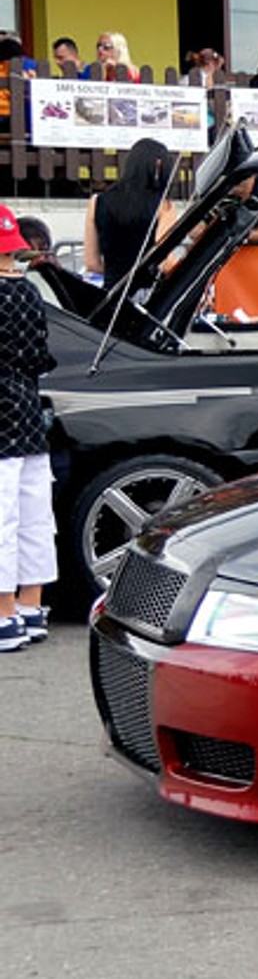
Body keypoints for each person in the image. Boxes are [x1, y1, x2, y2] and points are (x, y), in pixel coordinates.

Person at [0, 205, 57, 650]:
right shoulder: (30, 293)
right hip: (27, 411)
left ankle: (2, 617)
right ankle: (31, 607)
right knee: (34, 517)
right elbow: (42, 356)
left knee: (1, 518)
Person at [85, 137, 179, 287]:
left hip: (112, 291)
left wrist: (117, 275)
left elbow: (91, 263)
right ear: (158, 167)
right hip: (149, 293)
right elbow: (165, 262)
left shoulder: (97, 202)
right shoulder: (164, 206)